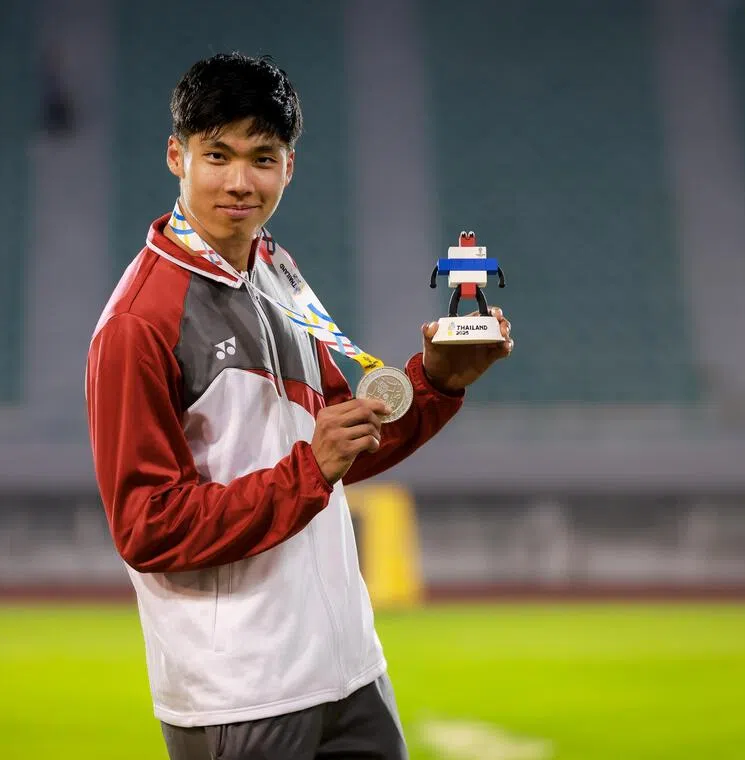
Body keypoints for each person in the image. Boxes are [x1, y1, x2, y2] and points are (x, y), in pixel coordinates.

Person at [85, 53, 513, 760]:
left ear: (290, 167)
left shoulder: (276, 271)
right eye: (216, 154)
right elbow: (146, 526)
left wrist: (436, 382)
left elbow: (343, 442)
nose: (239, 181)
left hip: (348, 667)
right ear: (176, 156)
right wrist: (308, 469)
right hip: (241, 692)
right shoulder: (139, 320)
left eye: (263, 157)